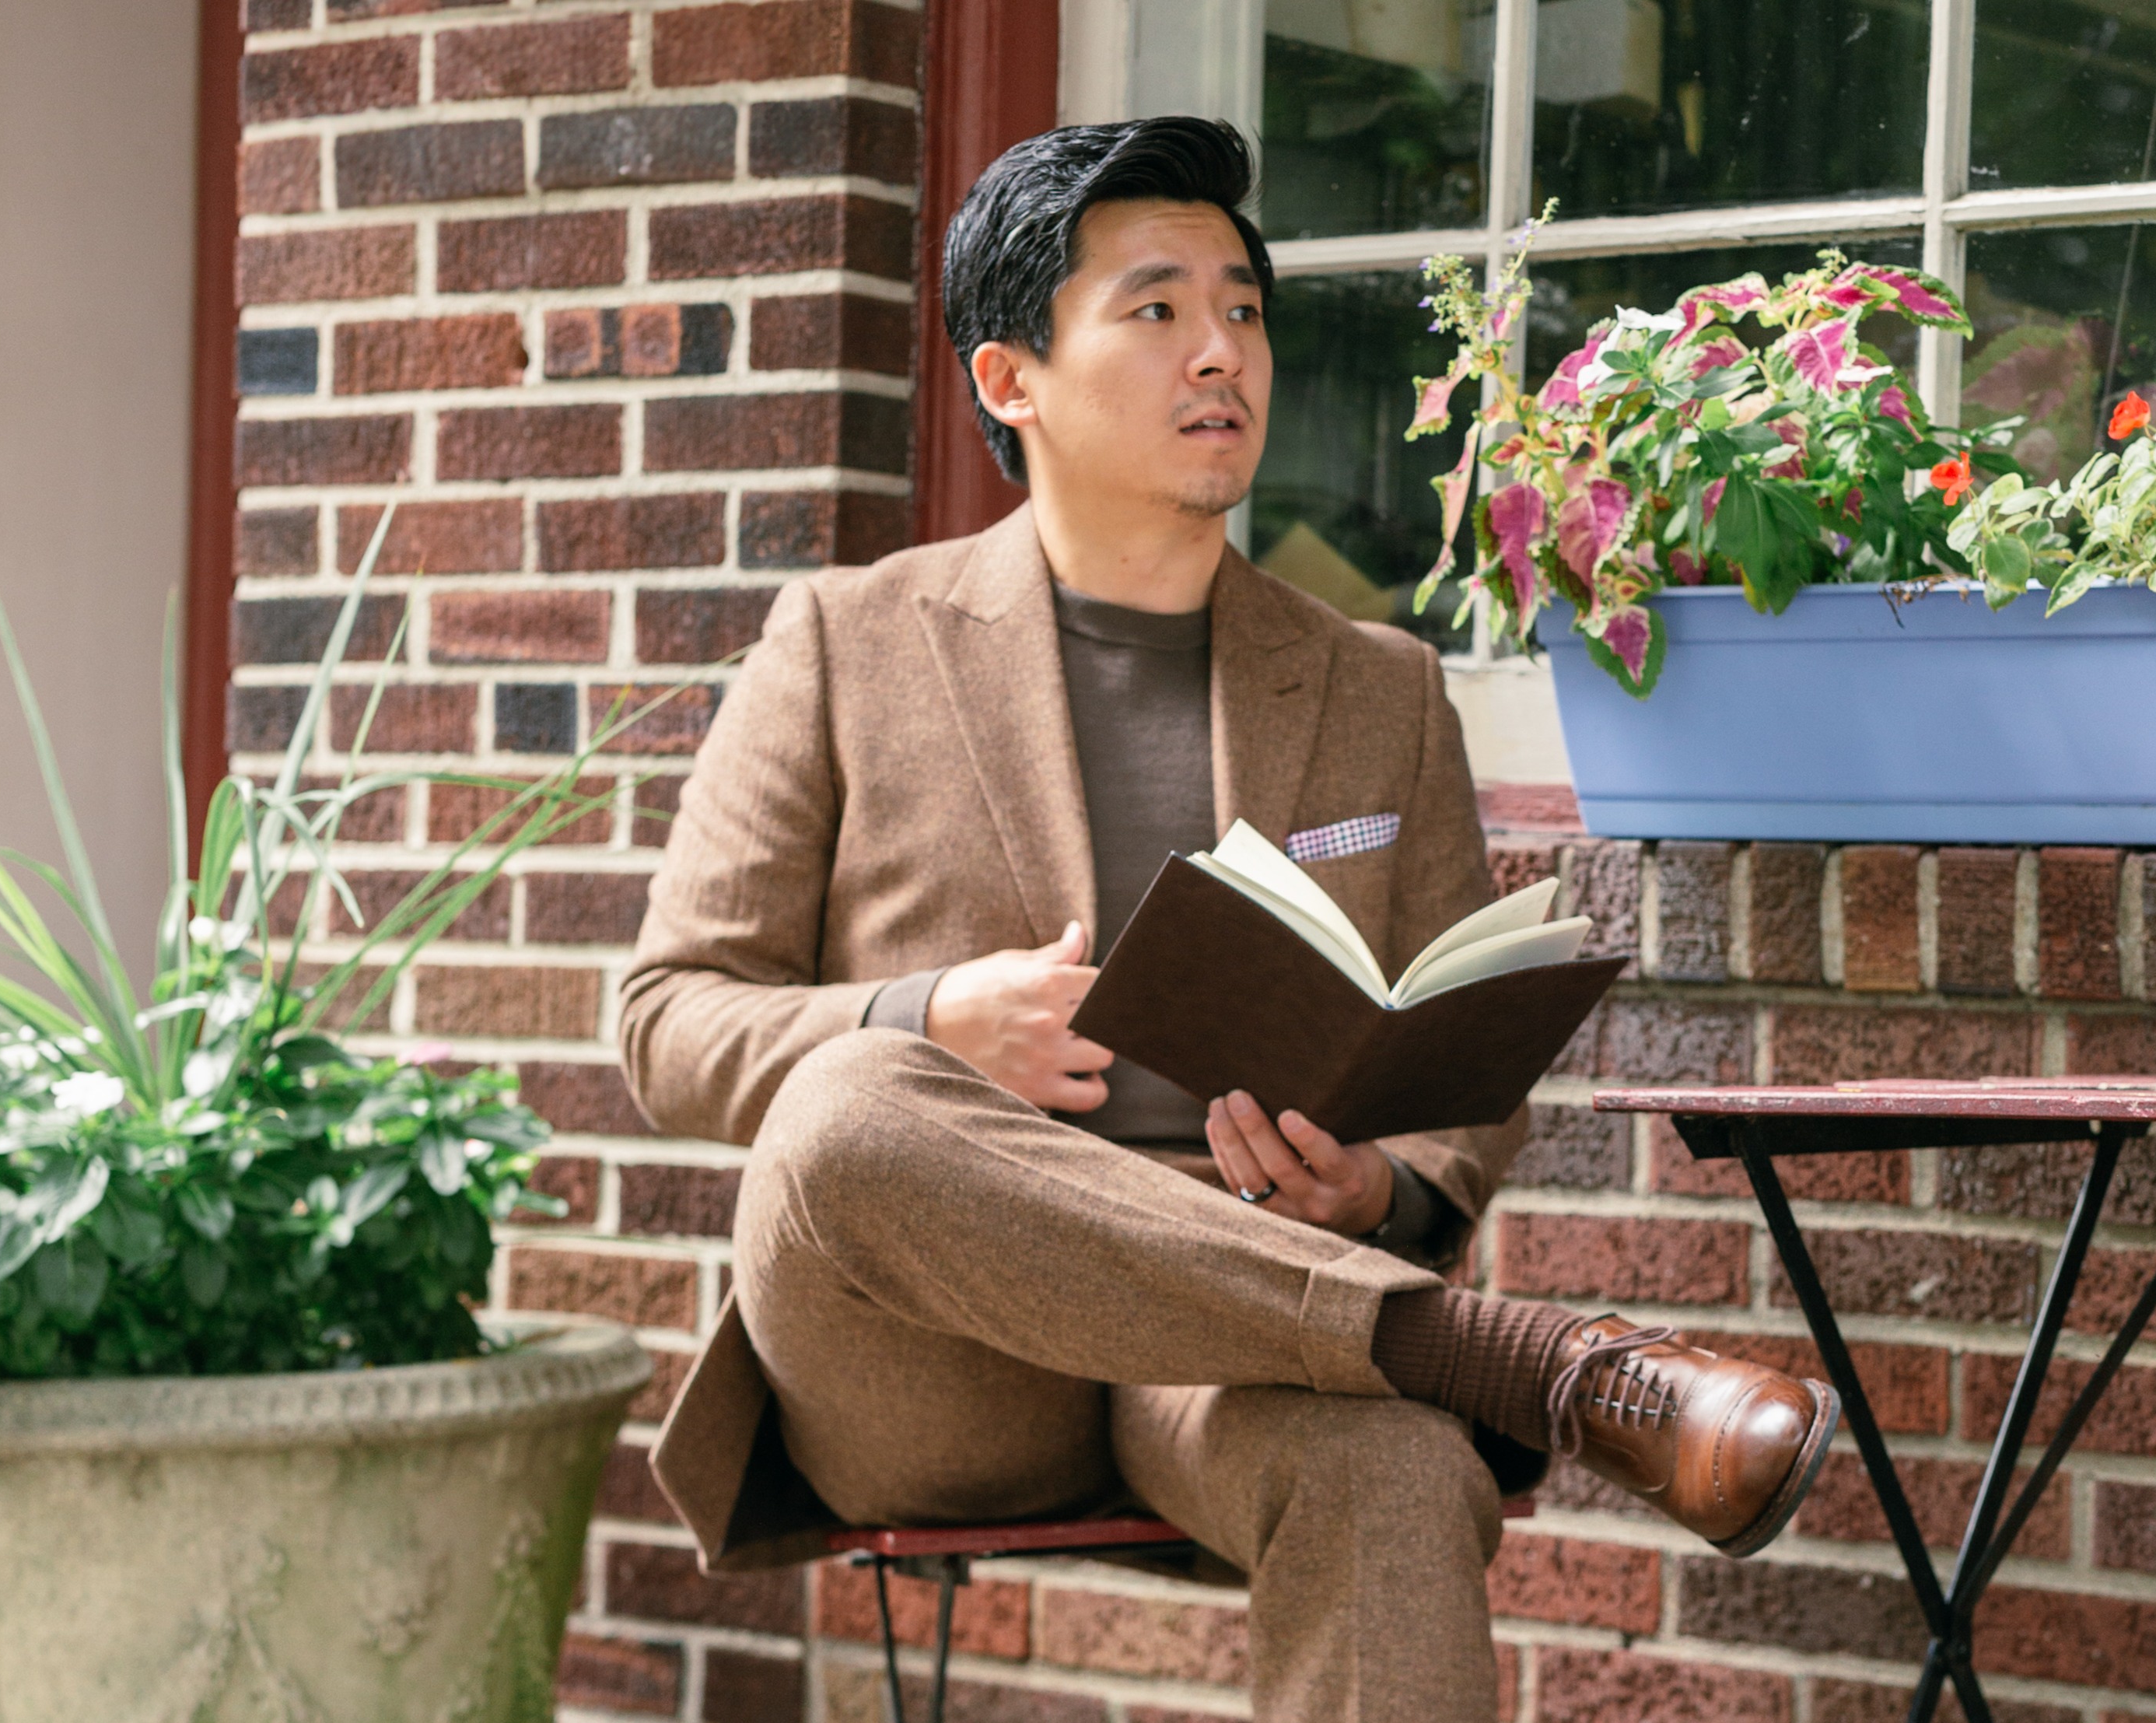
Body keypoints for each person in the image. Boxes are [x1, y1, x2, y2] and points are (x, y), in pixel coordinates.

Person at [626, 117, 1838, 1720]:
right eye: (1156, 309)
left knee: (1400, 1469)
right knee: (847, 1101)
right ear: (1010, 379)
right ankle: (1515, 1359)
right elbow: (668, 1021)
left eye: (1244, 310)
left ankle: (1443, 1354)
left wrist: (1383, 1189)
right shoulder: (846, 641)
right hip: (929, 1361)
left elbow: (1455, 1078)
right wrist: (927, 1020)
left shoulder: (1377, 687)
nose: (1222, 353)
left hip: (1236, 1345)